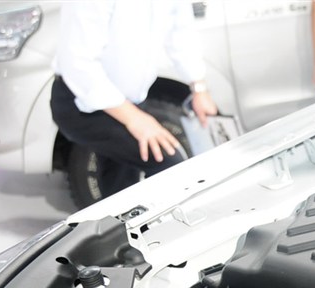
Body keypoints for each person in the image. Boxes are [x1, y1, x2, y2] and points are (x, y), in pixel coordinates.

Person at [51, 1, 218, 199]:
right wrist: (134, 118)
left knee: (121, 187)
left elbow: (180, 32)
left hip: (130, 101)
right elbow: (78, 63)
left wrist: (198, 87)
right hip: (83, 101)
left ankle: (119, 218)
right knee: (167, 163)